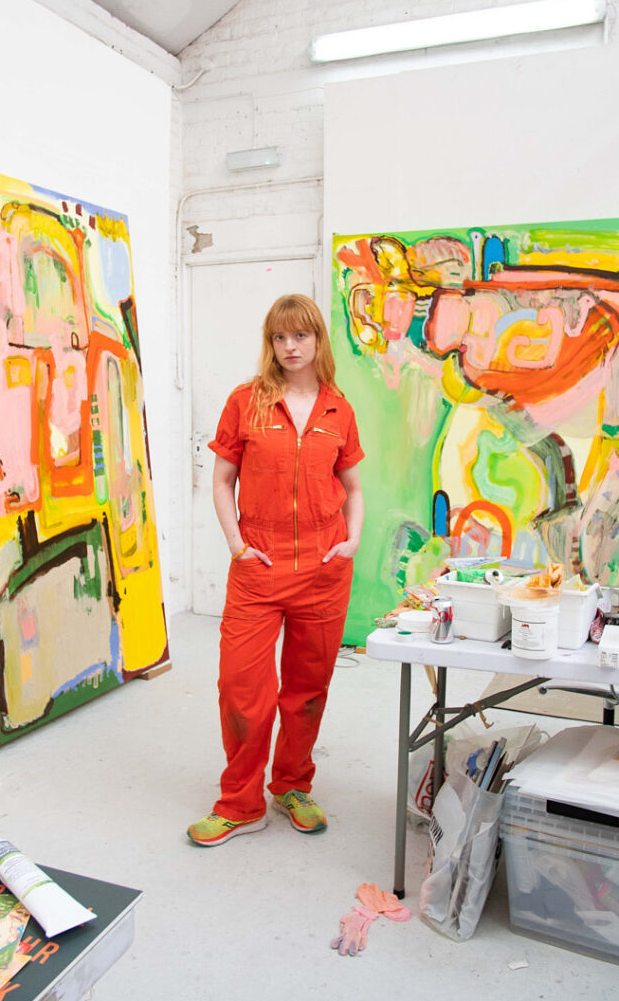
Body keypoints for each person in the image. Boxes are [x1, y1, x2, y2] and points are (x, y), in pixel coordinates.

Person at [187, 294, 365, 846]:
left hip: (323, 568)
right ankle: (240, 803)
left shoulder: (339, 409)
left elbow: (353, 487)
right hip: (258, 568)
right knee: (242, 688)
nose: (290, 347)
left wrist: (351, 542)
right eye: (279, 338)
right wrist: (238, 546)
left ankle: (291, 784)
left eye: (300, 336)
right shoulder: (247, 401)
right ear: (270, 343)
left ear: (317, 341)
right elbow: (221, 480)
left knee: (308, 689)